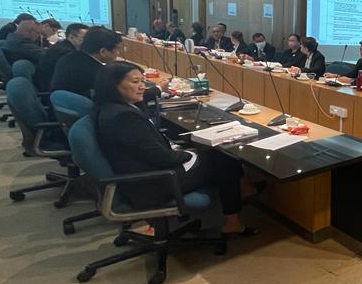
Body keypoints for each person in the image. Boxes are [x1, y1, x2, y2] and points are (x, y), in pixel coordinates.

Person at [91, 62, 254, 235]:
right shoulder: (124, 117)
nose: (142, 87)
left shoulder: (112, 107)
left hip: (141, 172)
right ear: (114, 85)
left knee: (213, 153)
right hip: (153, 184)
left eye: (142, 81)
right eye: (135, 82)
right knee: (225, 159)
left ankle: (241, 191)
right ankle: (233, 221)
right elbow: (162, 158)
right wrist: (188, 153)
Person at [50, 26, 124, 97]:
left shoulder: (67, 57)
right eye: (117, 49)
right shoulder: (99, 72)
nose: (118, 53)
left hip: (63, 105)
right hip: (87, 107)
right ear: (103, 52)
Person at [35, 22, 88, 91]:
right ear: (71, 37)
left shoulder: (61, 46)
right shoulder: (67, 53)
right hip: (52, 92)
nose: (88, 41)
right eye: (84, 38)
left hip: (49, 88)